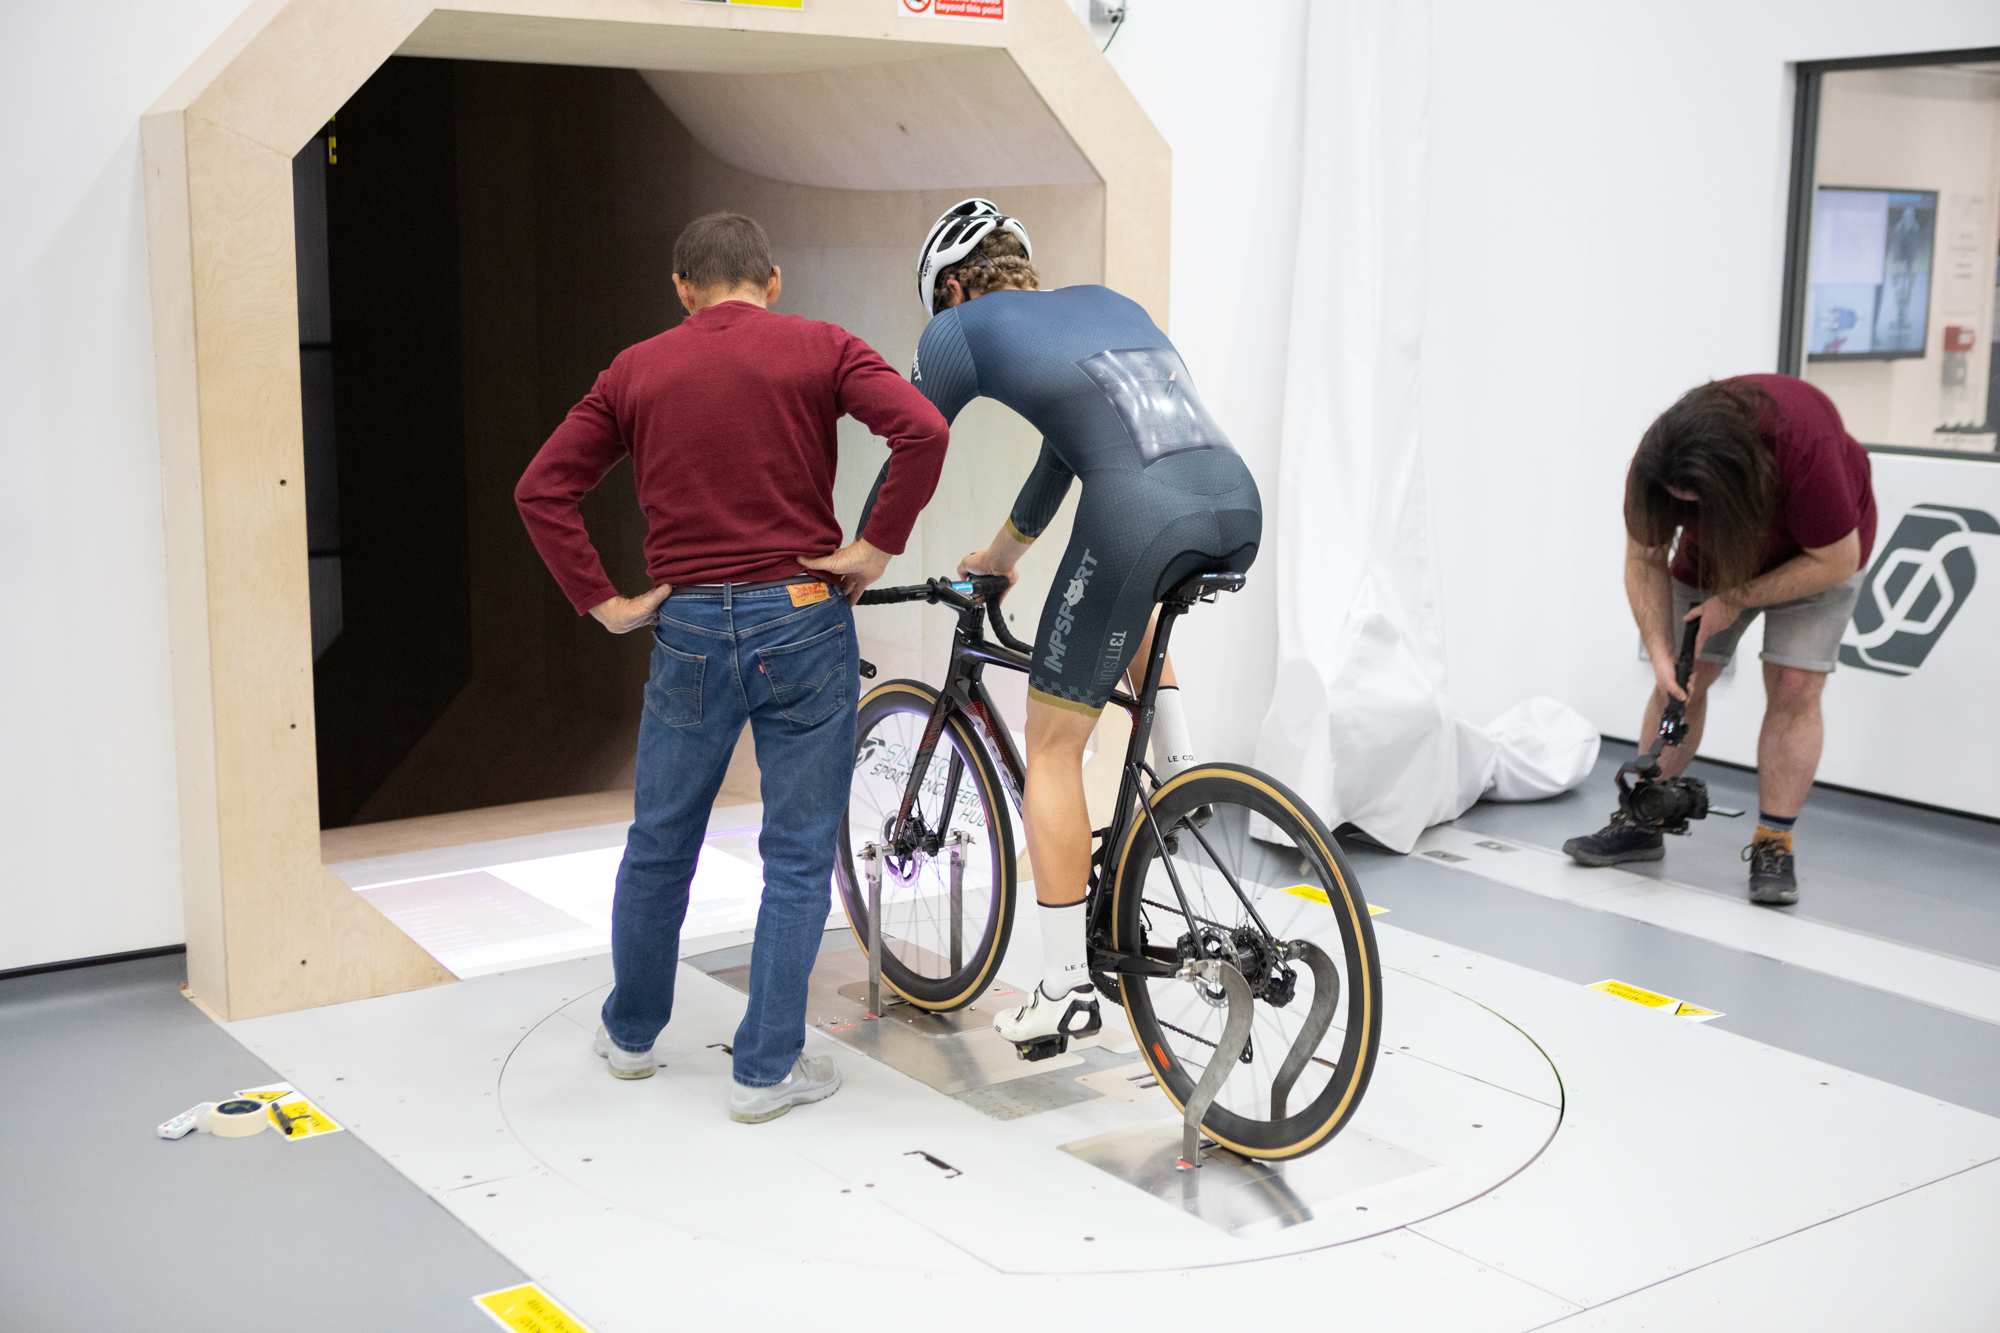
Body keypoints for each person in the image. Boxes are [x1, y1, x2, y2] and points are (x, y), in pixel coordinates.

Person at [514, 212, 948, 1120]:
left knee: (659, 843)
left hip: (688, 632)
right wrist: (874, 546)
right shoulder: (821, 346)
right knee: (793, 858)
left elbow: (541, 487)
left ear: (682, 288)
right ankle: (765, 1072)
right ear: (773, 280)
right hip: (800, 619)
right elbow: (922, 432)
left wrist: (605, 601)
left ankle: (631, 1037)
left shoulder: (635, 369)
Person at [901, 199, 1262, 1055]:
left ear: (952, 286)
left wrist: (865, 556)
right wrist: (1002, 552)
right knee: (1138, 592)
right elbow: (1064, 458)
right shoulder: (1104, 307)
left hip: (1140, 513)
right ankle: (1180, 781)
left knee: (1053, 744)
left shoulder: (959, 329)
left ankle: (1062, 987)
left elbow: (912, 441)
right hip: (1232, 498)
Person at [1563, 374, 1875, 907]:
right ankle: (1643, 823)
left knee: (1795, 684)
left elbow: (1837, 559)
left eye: (1694, 499)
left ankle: (1774, 841)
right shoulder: (1660, 460)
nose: (1680, 507)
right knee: (1681, 683)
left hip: (1817, 556)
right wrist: (1661, 652)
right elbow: (1643, 560)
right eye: (1678, 501)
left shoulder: (1804, 445)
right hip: (1718, 551)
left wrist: (1735, 600)